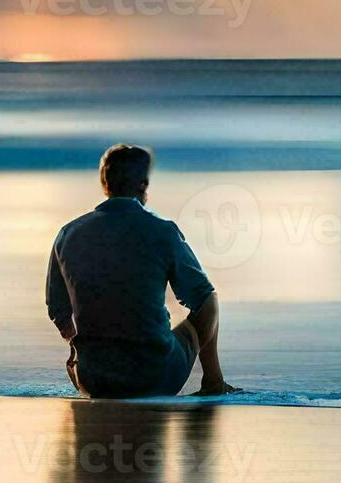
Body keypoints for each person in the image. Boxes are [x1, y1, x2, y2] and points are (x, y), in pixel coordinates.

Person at [46, 144, 239, 398]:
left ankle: (95, 361)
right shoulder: (162, 231)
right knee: (209, 299)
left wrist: (80, 346)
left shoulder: (69, 234)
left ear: (105, 182)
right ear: (143, 184)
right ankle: (214, 382)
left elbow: (57, 310)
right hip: (154, 377)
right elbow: (201, 296)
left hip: (93, 379)